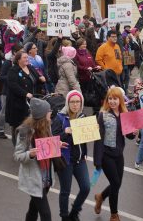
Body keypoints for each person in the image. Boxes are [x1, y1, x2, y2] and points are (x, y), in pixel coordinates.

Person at [14, 98, 66, 221]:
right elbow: (17, 155)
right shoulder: (25, 131)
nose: (51, 112)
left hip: (46, 178)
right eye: (49, 110)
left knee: (33, 209)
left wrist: (57, 144)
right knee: (46, 215)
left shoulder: (47, 126)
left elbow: (48, 147)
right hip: (35, 180)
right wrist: (30, 154)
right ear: (42, 114)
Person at [93, 87, 136, 221]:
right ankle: (114, 214)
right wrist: (97, 160)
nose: (112, 101)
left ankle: (101, 196)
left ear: (120, 100)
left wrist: (133, 133)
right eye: (110, 99)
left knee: (117, 184)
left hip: (119, 154)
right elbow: (98, 138)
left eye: (115, 99)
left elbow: (128, 135)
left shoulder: (125, 113)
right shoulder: (103, 115)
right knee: (116, 183)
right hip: (106, 155)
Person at [51, 90, 90, 221]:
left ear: (81, 103)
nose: (75, 105)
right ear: (68, 103)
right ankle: (64, 216)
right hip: (65, 160)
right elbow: (53, 140)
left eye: (77, 102)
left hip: (79, 159)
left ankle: (74, 211)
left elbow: (84, 139)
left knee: (85, 187)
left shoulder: (83, 117)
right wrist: (65, 132)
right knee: (65, 191)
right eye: (72, 102)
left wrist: (84, 153)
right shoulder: (60, 118)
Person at [6, 51, 45, 146]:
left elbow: (37, 78)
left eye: (27, 57)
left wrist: (41, 79)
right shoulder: (13, 70)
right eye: (24, 58)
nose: (27, 59)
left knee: (30, 125)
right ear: (18, 60)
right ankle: (17, 147)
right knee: (18, 126)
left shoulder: (30, 68)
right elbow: (13, 85)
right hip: (18, 103)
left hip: (31, 102)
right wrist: (25, 93)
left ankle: (27, 146)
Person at [0, 43, 23, 139]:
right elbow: (1, 76)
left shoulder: (22, 63)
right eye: (21, 51)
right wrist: (12, 78)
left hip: (17, 91)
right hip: (6, 91)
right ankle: (0, 129)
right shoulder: (8, 63)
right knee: (4, 111)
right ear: (15, 52)